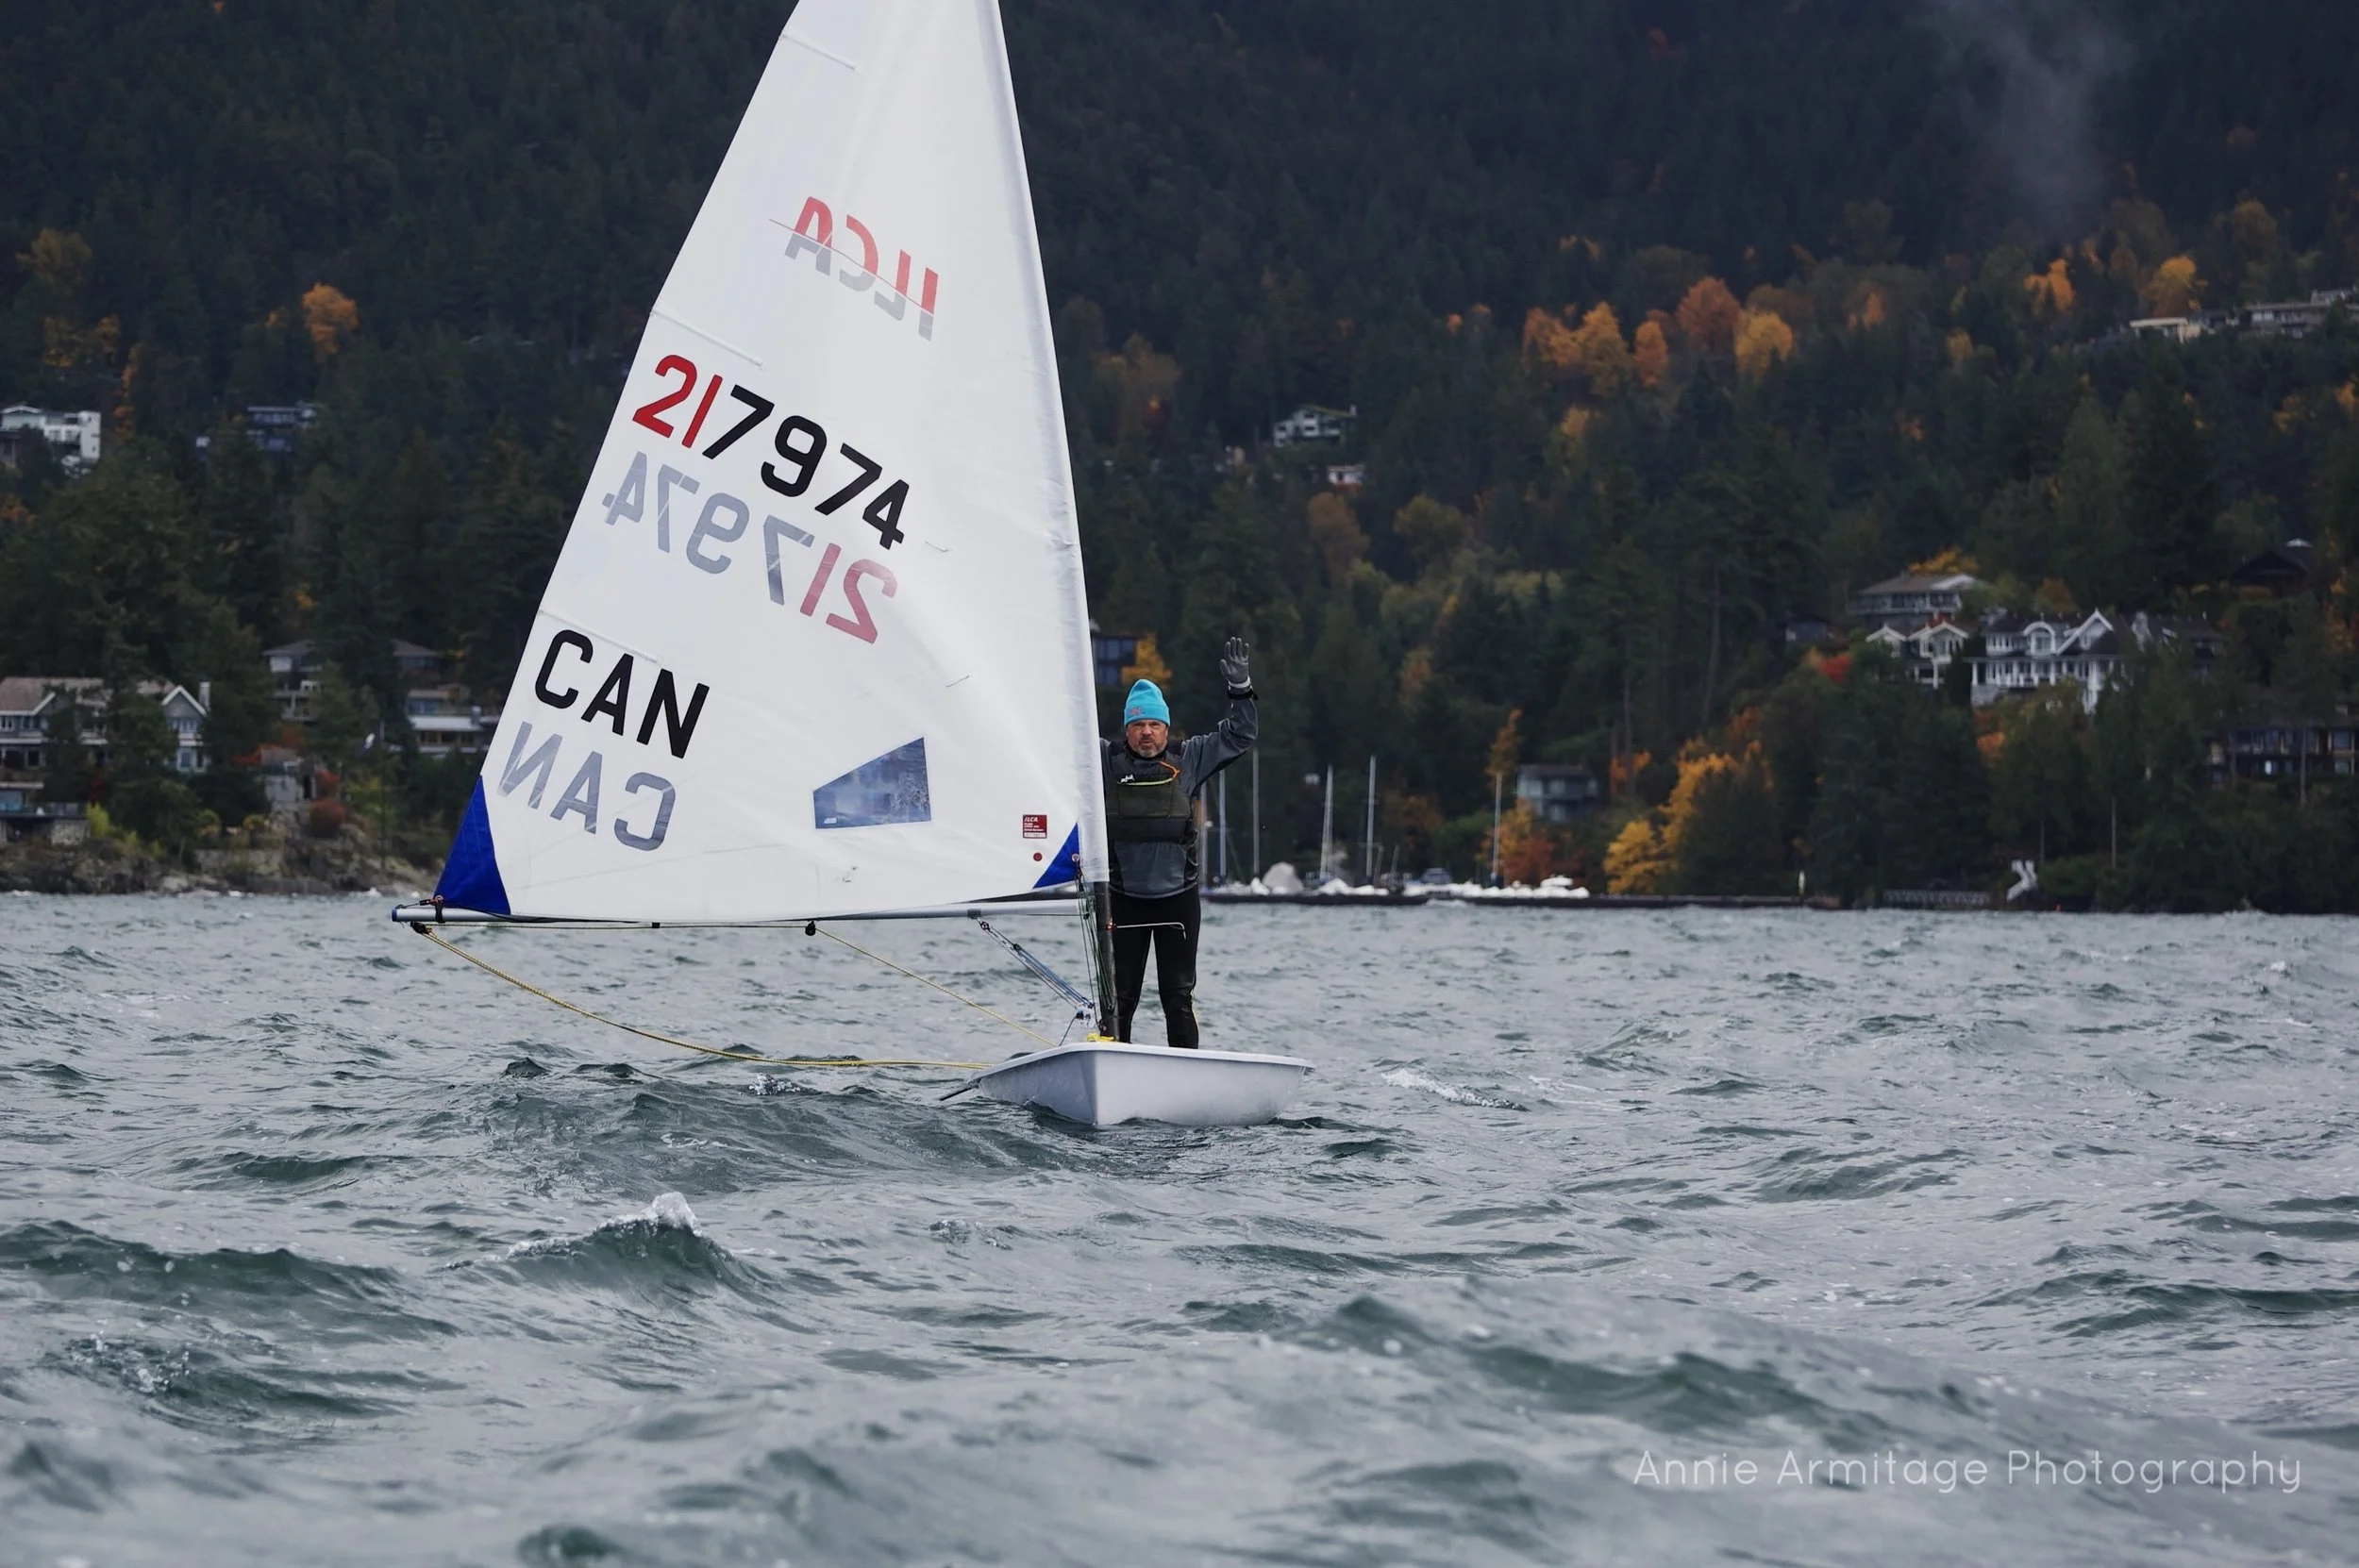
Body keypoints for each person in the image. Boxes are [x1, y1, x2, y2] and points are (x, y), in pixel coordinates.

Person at [1101, 636, 1254, 1048]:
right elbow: (1053, 740)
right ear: (1127, 729)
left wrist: (1241, 690)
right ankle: (1115, 1069)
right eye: (1137, 724)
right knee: (1120, 1001)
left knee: (1178, 997)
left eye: (1154, 724)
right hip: (1122, 897)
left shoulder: (1190, 758)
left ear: (1166, 729)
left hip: (1178, 900)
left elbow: (1240, 736)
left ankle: (1186, 1074)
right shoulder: (1102, 761)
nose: (1146, 732)